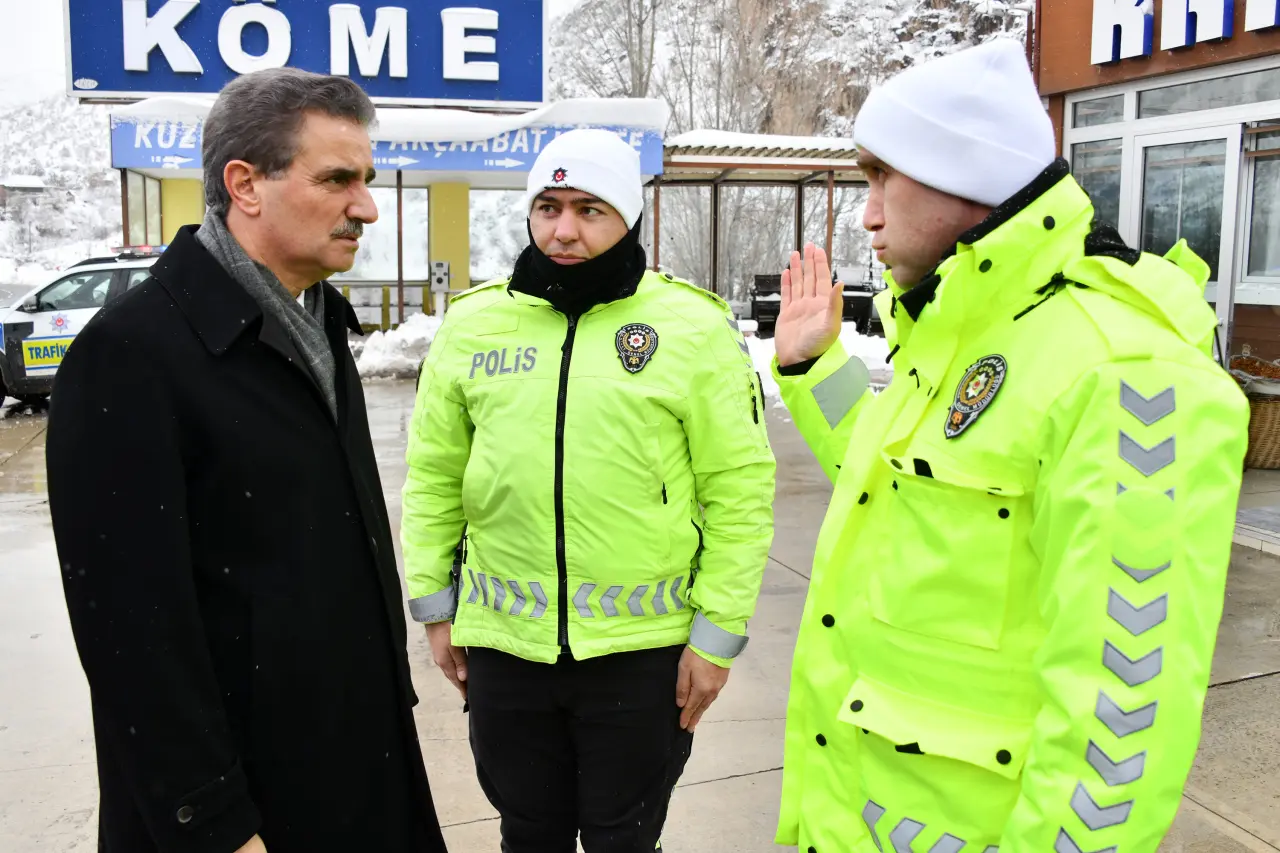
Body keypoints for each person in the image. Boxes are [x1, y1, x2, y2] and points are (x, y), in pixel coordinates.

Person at [771, 40, 1248, 853]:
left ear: (967, 175)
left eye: (883, 177)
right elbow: (906, 489)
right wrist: (813, 368)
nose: (867, 214)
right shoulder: (960, 326)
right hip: (862, 816)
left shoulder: (1121, 367)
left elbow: (1121, 716)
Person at [46, 68, 447, 853]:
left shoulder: (321, 322)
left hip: (359, 764)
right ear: (245, 185)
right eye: (337, 179)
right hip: (247, 809)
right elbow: (133, 638)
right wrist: (213, 821)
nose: (366, 206)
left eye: (364, 179)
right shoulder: (131, 355)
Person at [401, 128, 776, 852]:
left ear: (629, 215)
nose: (563, 229)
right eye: (547, 206)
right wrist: (435, 609)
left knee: (622, 839)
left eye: (589, 208)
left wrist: (716, 638)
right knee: (528, 834)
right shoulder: (474, 326)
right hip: (507, 653)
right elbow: (435, 477)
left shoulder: (692, 328)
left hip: (643, 657)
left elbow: (740, 490)